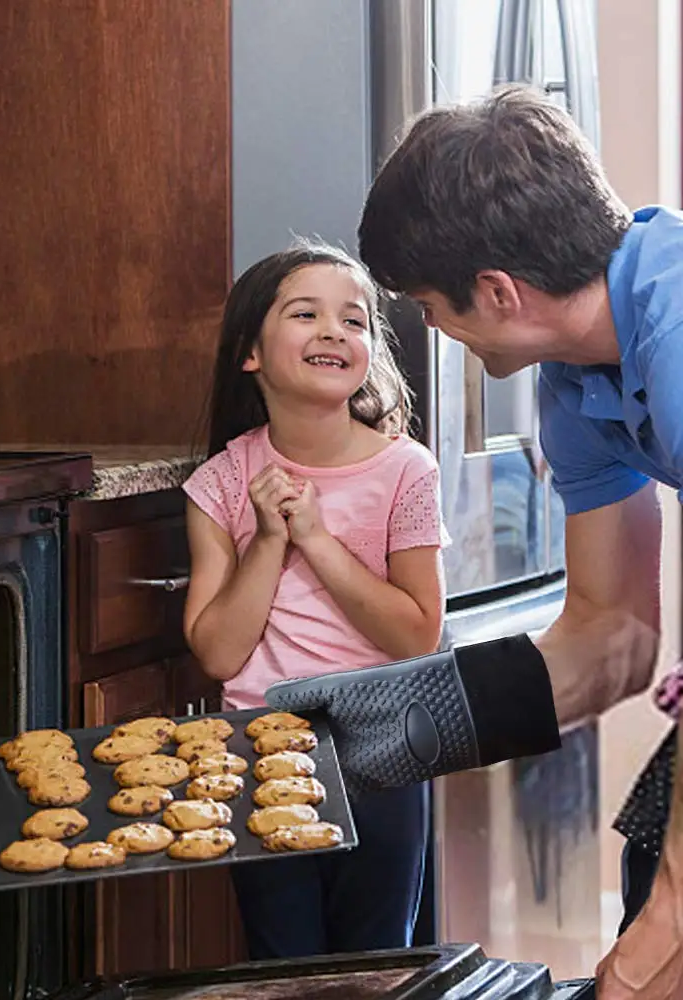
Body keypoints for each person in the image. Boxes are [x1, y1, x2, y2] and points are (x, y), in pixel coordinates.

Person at [265, 86, 682, 1000]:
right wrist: (399, 722)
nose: (437, 336)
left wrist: (669, 920)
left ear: (496, 290)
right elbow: (614, 635)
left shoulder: (678, 337)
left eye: (430, 308)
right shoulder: (578, 384)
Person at [181, 238, 448, 959]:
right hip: (263, 756)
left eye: (356, 320)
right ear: (251, 354)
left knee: (376, 961)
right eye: (306, 314)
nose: (335, 330)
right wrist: (268, 539)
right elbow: (217, 651)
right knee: (282, 961)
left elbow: (418, 635)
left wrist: (320, 541)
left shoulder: (405, 471)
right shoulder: (223, 483)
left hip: (384, 750)